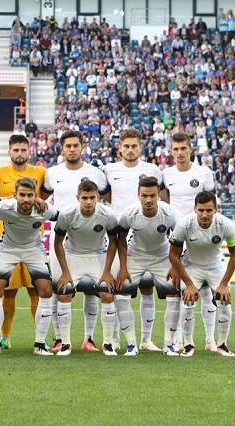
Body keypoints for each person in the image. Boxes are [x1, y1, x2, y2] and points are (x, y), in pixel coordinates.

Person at [42, 130, 108, 353]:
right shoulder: (52, 173)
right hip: (61, 238)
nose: (72, 149)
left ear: (82, 147)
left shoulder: (96, 174)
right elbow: (41, 199)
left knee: (92, 291)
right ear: (62, 148)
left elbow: (106, 199)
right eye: (67, 146)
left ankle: (88, 338)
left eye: (75, 145)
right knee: (57, 288)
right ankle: (60, 339)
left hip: (91, 238)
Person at [103, 129, 162, 352]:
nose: (130, 150)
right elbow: (104, 197)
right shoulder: (109, 170)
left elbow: (161, 198)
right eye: (126, 146)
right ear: (120, 148)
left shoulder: (153, 170)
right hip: (119, 235)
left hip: (145, 234)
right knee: (118, 287)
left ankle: (147, 339)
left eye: (134, 146)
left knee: (148, 287)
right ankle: (116, 338)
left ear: (140, 147)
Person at [0, 178, 58, 356]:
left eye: (30, 195)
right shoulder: (2, 208)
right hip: (7, 249)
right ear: (14, 195)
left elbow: (63, 220)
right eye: (22, 195)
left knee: (46, 290)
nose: (26, 199)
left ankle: (40, 344)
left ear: (36, 196)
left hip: (34, 249)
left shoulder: (45, 210)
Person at [162, 132, 218, 353]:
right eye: (175, 149)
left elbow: (211, 203)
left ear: (190, 149)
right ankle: (177, 338)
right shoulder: (166, 174)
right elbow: (165, 202)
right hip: (178, 235)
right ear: (171, 151)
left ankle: (210, 339)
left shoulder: (203, 173)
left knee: (205, 291)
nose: (179, 153)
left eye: (183, 148)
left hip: (201, 233)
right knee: (179, 290)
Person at [168, 191, 235, 357]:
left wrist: (223, 285)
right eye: (201, 210)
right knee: (187, 301)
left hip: (216, 266)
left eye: (209, 210)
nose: (204, 214)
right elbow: (173, 254)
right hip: (192, 266)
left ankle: (222, 345)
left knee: (224, 301)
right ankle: (188, 345)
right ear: (195, 209)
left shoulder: (225, 224)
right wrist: (189, 284)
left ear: (216, 209)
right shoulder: (184, 224)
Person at [0, 134, 47, 349]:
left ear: (29, 151)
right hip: (8, 243)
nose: (20, 154)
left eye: (23, 150)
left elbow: (47, 199)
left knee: (37, 290)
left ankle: (40, 337)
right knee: (8, 291)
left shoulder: (41, 173)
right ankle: (5, 336)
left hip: (33, 243)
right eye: (16, 150)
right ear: (9, 152)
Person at [53, 179, 119, 356]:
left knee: (107, 292)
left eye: (92, 197)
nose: (88, 202)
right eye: (84, 198)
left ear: (97, 197)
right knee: (64, 292)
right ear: (78, 197)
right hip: (73, 256)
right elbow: (58, 243)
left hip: (98, 256)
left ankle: (107, 344)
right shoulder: (67, 214)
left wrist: (106, 271)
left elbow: (113, 242)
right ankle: (66, 344)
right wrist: (65, 272)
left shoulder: (108, 215)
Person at [116, 176, 179, 355]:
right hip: (136, 255)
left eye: (152, 195)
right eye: (144, 195)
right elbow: (121, 241)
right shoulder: (129, 213)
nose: (148, 200)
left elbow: (179, 240)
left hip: (162, 256)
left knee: (174, 294)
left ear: (159, 195)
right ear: (138, 195)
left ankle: (169, 345)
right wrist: (122, 267)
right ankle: (131, 345)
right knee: (121, 294)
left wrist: (175, 266)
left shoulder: (170, 213)